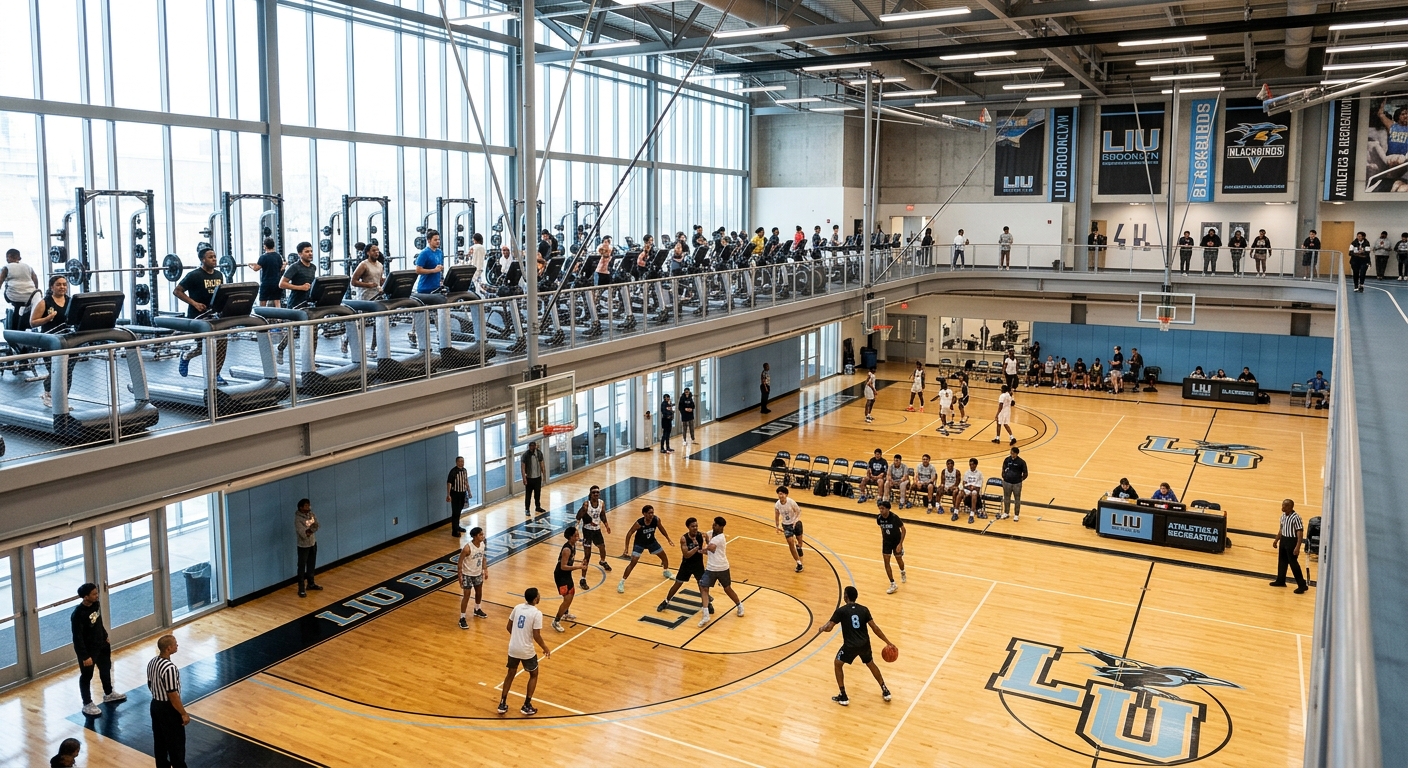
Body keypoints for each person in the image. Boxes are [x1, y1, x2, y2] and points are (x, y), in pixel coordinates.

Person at [174, 247, 229, 382]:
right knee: (203, 347)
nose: (214, 259)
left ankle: (216, 374)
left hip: (215, 316)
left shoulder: (219, 275)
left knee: (222, 343)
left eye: (215, 256)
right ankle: (186, 356)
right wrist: (195, 303)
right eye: (210, 257)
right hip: (198, 317)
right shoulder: (194, 275)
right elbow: (177, 291)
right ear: (202, 259)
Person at [72, 583, 125, 717]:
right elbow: (77, 638)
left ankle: (109, 693)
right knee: (86, 676)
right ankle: (87, 703)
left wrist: (105, 635)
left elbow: (98, 622)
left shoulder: (96, 604)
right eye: (94, 594)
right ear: (85, 597)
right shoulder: (78, 614)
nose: (97, 596)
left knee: (106, 669)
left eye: (97, 593)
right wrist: (85, 656)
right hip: (89, 651)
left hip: (102, 645)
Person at [499, 587, 551, 716]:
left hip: (513, 647)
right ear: (535, 599)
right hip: (526, 650)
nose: (540, 596)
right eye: (539, 595)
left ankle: (502, 703)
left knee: (510, 673)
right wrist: (545, 647)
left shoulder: (517, 607)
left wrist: (517, 637)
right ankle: (527, 705)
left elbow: (508, 626)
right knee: (534, 674)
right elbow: (536, 635)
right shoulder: (537, 613)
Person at [31, 274, 73, 410]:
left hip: (68, 341)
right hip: (50, 342)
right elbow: (33, 322)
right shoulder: (45, 302)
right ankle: (48, 394)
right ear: (51, 287)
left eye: (64, 284)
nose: (62, 287)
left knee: (68, 371)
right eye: (58, 284)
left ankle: (63, 399)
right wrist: (47, 318)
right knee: (55, 371)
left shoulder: (71, 301)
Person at [147, 635, 188, 768]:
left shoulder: (152, 662)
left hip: (155, 705)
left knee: (160, 742)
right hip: (168, 709)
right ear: (168, 648)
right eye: (175, 644)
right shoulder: (169, 668)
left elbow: (150, 683)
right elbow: (173, 694)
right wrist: (183, 713)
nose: (177, 645)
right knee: (176, 744)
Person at [697, 516, 744, 627]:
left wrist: (704, 542)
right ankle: (706, 614)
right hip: (711, 567)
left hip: (722, 567)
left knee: (727, 589)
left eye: (716, 525)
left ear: (721, 527)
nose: (713, 526)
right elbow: (707, 550)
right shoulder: (710, 533)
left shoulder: (721, 538)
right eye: (713, 524)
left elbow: (711, 548)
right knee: (703, 587)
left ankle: (739, 605)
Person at [658, 517, 710, 612]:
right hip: (686, 565)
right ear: (688, 527)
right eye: (693, 526)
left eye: (696, 526)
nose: (695, 528)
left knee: (702, 585)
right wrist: (696, 548)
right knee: (678, 583)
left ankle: (707, 604)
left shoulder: (700, 535)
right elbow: (686, 555)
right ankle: (666, 601)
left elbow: (707, 540)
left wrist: (707, 543)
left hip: (698, 564)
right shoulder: (684, 539)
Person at [618, 505, 672, 592]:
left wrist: (668, 538)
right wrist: (626, 548)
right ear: (644, 514)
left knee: (664, 557)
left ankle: (666, 571)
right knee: (633, 562)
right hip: (639, 544)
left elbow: (661, 528)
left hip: (651, 542)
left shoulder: (656, 520)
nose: (651, 515)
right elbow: (629, 533)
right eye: (649, 513)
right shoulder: (639, 523)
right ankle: (622, 582)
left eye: (652, 513)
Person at [277, 242, 317, 361]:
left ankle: (311, 360)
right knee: (293, 332)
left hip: (308, 303)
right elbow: (282, 284)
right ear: (300, 254)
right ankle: (280, 348)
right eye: (307, 251)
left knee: (313, 332)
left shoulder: (313, 267)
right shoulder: (295, 267)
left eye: (311, 251)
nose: (310, 253)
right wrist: (300, 287)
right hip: (296, 303)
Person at [346, 242, 385, 354]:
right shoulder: (363, 265)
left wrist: (384, 282)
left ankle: (374, 346)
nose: (376, 252)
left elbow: (379, 280)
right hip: (365, 296)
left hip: (376, 295)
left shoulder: (380, 265)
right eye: (374, 250)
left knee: (378, 321)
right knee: (360, 323)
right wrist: (368, 285)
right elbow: (353, 282)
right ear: (368, 252)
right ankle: (346, 340)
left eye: (377, 250)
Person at [551, 526, 589, 632]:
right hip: (561, 575)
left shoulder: (573, 545)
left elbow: (569, 560)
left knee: (570, 594)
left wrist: (580, 562)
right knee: (568, 598)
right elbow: (563, 566)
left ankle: (565, 613)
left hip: (566, 574)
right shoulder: (567, 549)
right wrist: (579, 567)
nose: (578, 536)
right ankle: (556, 621)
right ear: (570, 537)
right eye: (576, 535)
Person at [575, 485, 613, 588]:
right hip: (587, 531)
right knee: (587, 556)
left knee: (602, 547)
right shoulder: (586, 504)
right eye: (594, 492)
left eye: (597, 492)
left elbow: (602, 515)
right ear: (590, 494)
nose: (596, 494)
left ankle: (602, 561)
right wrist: (581, 525)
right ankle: (583, 579)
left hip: (597, 530)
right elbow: (578, 516)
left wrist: (607, 526)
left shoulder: (601, 503)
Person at [1271, 499, 1310, 594]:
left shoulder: (1296, 517)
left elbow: (1300, 533)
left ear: (1290, 507)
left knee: (1293, 563)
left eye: (1285, 506)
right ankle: (1281, 580)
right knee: (1282, 561)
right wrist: (1276, 540)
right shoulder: (1283, 516)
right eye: (1282, 505)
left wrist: (1298, 547)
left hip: (1292, 541)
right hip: (1284, 540)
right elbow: (1281, 529)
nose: (1282, 507)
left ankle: (1302, 585)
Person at [457, 527, 488, 626]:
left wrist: (485, 569)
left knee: (479, 592)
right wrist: (460, 576)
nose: (483, 536)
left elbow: (483, 557)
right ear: (475, 536)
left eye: (483, 534)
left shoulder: (482, 544)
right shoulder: (467, 548)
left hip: (478, 573)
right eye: (480, 534)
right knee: (466, 595)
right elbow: (460, 562)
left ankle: (477, 609)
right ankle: (462, 618)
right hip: (467, 574)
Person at [1, 248, 39, 330]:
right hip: (30, 297)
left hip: (13, 297)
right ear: (19, 258)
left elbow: (0, 281)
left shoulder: (6, 267)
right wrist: (34, 291)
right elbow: (35, 280)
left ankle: (13, 326)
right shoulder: (28, 267)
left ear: (9, 257)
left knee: (7, 287)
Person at [876, 501, 907, 593]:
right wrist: (884, 538)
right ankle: (892, 583)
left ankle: (902, 571)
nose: (881, 510)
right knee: (886, 562)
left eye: (883, 508)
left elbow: (903, 530)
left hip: (896, 542)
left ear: (888, 509)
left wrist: (900, 544)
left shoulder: (894, 517)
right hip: (887, 542)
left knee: (899, 560)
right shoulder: (879, 518)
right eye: (880, 508)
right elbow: (882, 528)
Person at [775, 485, 805, 572]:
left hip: (796, 523)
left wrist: (795, 521)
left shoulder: (791, 502)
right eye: (779, 494)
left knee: (799, 543)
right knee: (790, 542)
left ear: (786, 495)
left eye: (782, 494)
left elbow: (798, 511)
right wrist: (777, 526)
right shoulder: (777, 505)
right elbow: (776, 516)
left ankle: (799, 548)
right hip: (786, 525)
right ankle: (798, 563)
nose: (781, 496)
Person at [295, 498, 321, 597]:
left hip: (312, 543)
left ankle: (311, 584)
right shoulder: (298, 519)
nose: (308, 507)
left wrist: (310, 530)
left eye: (308, 505)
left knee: (311, 564)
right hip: (303, 546)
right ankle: (301, 588)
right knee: (302, 567)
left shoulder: (311, 514)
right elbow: (303, 533)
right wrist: (310, 530)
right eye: (306, 505)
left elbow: (316, 525)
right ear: (301, 507)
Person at [249, 237, 285, 308]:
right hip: (276, 282)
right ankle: (279, 315)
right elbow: (281, 268)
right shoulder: (278, 256)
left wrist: (250, 265)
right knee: (277, 302)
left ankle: (262, 315)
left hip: (266, 283)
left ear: (265, 246)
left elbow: (256, 269)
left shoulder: (263, 257)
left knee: (263, 303)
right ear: (273, 246)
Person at [1000, 446, 1028, 522]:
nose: (1011, 455)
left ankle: (1016, 514)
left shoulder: (1021, 462)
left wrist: (1020, 480)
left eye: (1013, 453)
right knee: (1006, 498)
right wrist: (1004, 476)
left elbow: (1025, 473)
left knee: (1017, 499)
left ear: (1016, 453)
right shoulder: (1007, 460)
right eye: (1011, 453)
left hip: (1017, 484)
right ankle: (1006, 512)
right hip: (1007, 482)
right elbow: (1003, 468)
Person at [446, 456, 471, 536]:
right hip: (455, 494)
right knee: (455, 512)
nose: (462, 463)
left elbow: (466, 481)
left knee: (459, 510)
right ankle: (454, 530)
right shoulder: (453, 471)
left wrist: (469, 491)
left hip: (462, 493)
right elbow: (449, 483)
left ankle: (457, 526)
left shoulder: (464, 470)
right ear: (457, 462)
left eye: (463, 461)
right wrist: (448, 494)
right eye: (460, 461)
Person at [520, 441, 545, 516]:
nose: (532, 447)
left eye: (533, 446)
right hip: (529, 478)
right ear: (529, 447)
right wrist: (524, 478)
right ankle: (527, 509)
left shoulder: (539, 453)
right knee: (528, 495)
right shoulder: (525, 455)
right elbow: (523, 467)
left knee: (537, 494)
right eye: (531, 446)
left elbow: (542, 464)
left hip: (537, 477)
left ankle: (538, 507)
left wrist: (543, 474)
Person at [961, 457, 985, 523]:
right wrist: (968, 490)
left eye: (972, 464)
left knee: (974, 493)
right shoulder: (967, 472)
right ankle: (955, 511)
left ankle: (971, 515)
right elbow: (964, 484)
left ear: (976, 465)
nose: (971, 466)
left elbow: (978, 488)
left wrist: (971, 489)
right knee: (960, 492)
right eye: (970, 464)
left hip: (975, 492)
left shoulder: (979, 474)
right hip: (968, 491)